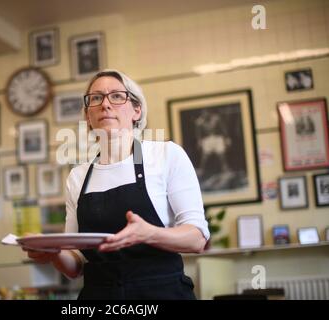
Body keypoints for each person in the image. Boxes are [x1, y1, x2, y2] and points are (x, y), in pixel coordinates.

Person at [24, 69, 209, 300]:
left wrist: (149, 234)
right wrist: (53, 254)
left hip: (162, 293)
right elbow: (76, 264)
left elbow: (197, 238)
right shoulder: (78, 177)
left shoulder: (166, 155)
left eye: (117, 96)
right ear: (87, 117)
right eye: (96, 98)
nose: (106, 104)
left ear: (136, 110)